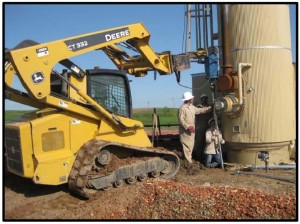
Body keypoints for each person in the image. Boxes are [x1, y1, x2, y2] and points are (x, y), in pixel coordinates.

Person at [178, 92, 212, 164]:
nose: (193, 98)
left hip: (192, 130)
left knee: (191, 145)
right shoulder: (182, 108)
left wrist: (211, 108)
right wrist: (187, 127)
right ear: (188, 99)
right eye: (191, 98)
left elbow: (201, 110)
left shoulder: (192, 107)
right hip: (185, 131)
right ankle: (188, 162)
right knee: (187, 145)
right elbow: (181, 120)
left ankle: (186, 159)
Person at [194, 93, 213, 162]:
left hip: (207, 127)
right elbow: (200, 111)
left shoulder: (210, 107)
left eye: (206, 98)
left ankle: (205, 156)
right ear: (201, 99)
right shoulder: (198, 107)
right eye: (203, 98)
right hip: (199, 127)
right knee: (199, 141)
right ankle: (198, 155)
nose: (204, 100)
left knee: (206, 142)